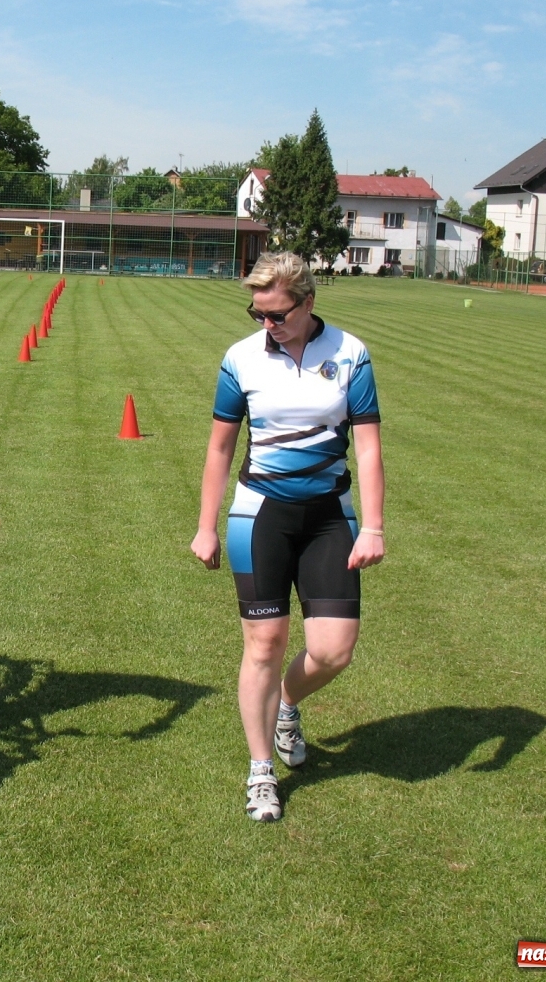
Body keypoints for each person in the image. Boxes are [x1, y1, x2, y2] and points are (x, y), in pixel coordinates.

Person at [190, 252, 386, 822]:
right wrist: (206, 526)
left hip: (330, 515)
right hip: (260, 515)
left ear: (308, 303)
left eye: (277, 314)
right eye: (258, 313)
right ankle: (259, 772)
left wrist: (371, 525)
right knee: (265, 644)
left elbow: (368, 447)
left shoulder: (351, 354)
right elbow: (220, 446)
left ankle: (287, 705)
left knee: (333, 649)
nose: (266, 325)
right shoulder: (240, 359)